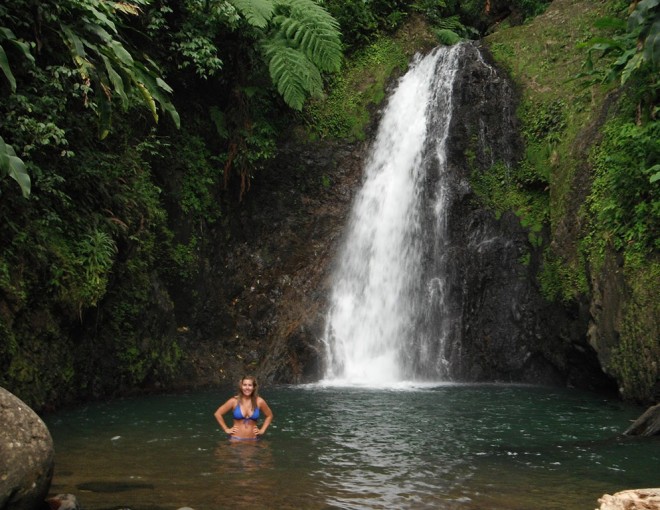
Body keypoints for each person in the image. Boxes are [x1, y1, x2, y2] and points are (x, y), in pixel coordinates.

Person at [214, 375, 273, 440]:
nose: (247, 387)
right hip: (235, 439)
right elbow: (218, 414)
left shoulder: (259, 401)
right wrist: (226, 429)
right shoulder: (234, 401)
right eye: (244, 385)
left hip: (253, 440)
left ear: (254, 387)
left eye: (250, 385)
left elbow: (269, 415)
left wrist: (262, 430)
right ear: (241, 387)